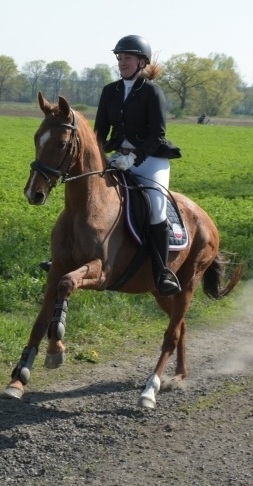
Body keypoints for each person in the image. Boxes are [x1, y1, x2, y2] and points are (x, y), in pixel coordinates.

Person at [94, 35, 183, 296]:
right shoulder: (109, 91)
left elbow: (157, 135)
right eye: (119, 58)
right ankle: (69, 254)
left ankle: (161, 273)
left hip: (150, 160)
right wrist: (97, 156)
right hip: (118, 158)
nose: (122, 62)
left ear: (141, 62)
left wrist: (133, 159)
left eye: (127, 58)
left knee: (156, 209)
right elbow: (100, 132)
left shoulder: (152, 91)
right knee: (88, 194)